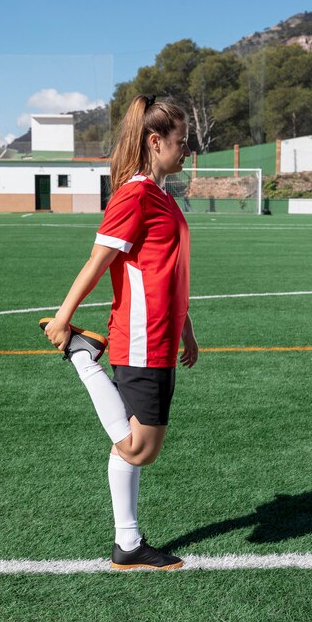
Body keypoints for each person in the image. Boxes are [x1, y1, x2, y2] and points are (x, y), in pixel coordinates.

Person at [41, 94, 198, 571]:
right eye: (180, 141)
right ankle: (83, 357)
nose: (186, 150)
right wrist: (64, 317)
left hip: (161, 334)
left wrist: (187, 327)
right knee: (139, 447)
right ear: (155, 141)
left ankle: (127, 544)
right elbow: (98, 260)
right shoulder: (133, 195)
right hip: (139, 334)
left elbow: (170, 269)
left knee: (134, 447)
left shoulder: (163, 195)